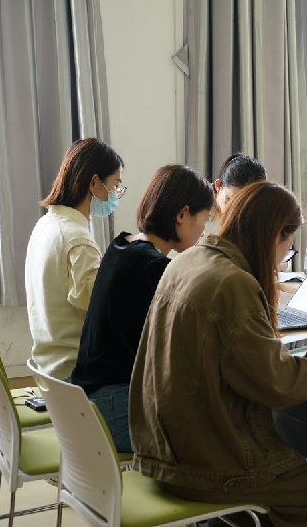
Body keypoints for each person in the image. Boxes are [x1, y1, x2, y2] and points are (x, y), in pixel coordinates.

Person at [128, 181, 307, 527]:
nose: (285, 256)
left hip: (161, 451)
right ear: (276, 235)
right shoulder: (233, 283)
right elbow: (281, 384)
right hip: (205, 465)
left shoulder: (187, 260)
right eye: (289, 244)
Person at [70, 165, 214, 453]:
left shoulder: (122, 246)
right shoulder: (153, 267)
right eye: (205, 218)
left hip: (85, 404)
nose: (204, 229)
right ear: (182, 215)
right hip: (114, 411)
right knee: (215, 433)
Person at [26, 138, 124, 380]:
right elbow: (103, 311)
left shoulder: (44, 225)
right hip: (75, 374)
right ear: (94, 182)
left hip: (48, 370)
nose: (116, 195)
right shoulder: (78, 240)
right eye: (116, 185)